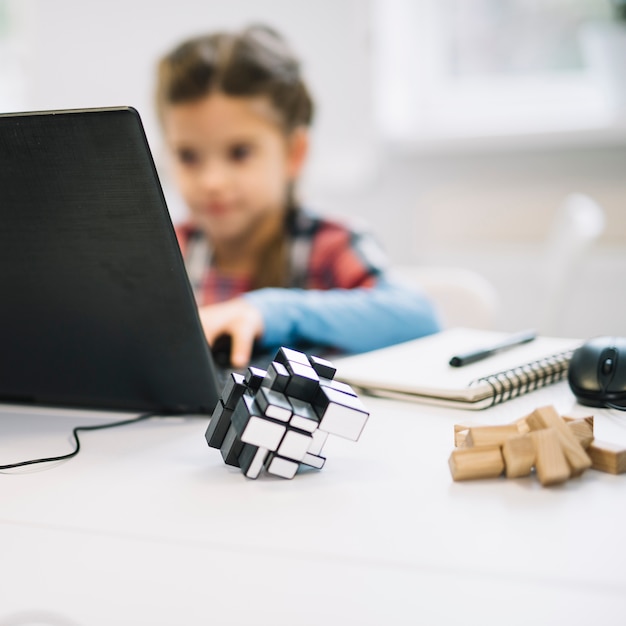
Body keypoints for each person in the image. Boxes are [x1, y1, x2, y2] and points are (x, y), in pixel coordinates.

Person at [155, 24, 440, 368]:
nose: (212, 181)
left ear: (295, 153)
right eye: (188, 156)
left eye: (240, 153)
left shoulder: (331, 245)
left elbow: (419, 318)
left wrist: (270, 310)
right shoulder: (169, 252)